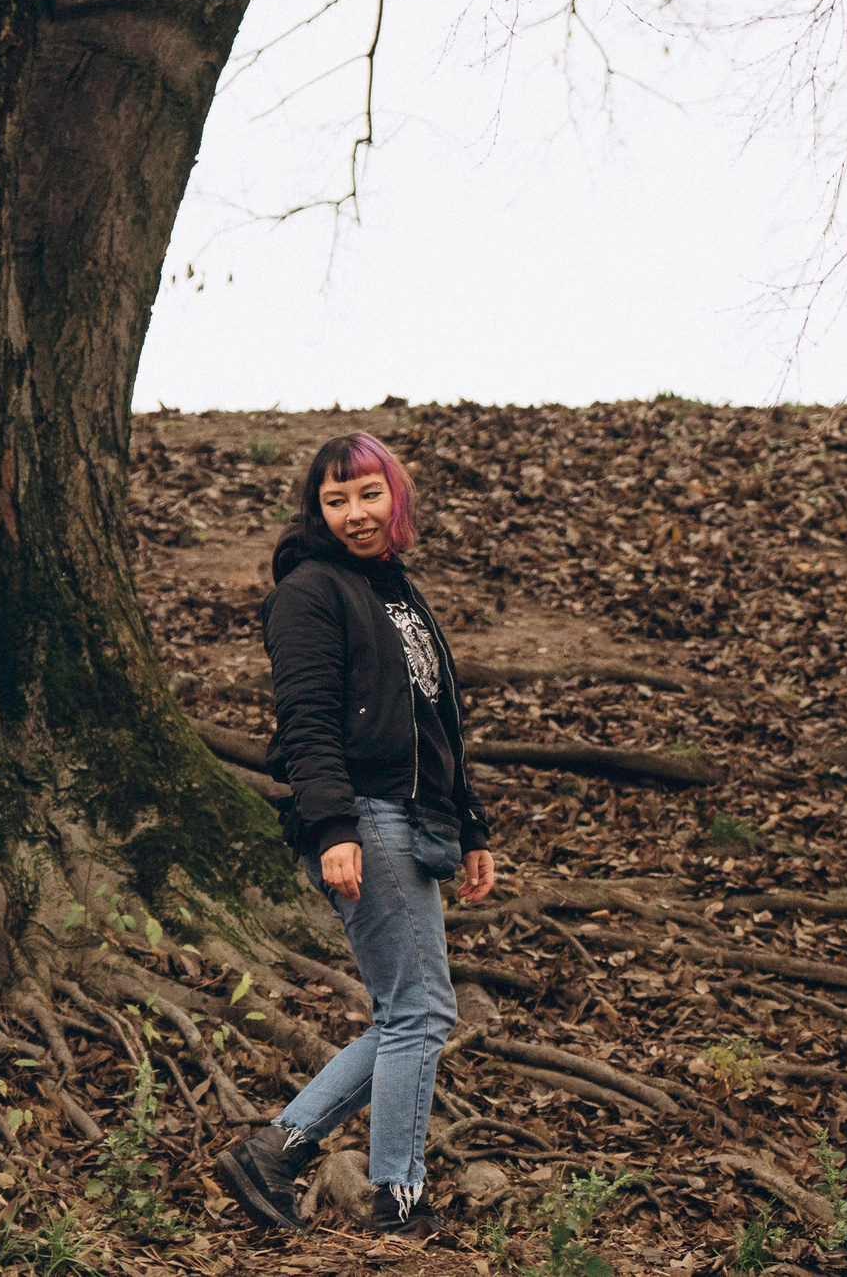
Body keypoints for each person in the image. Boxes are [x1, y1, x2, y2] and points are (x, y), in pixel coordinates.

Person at [215, 431, 494, 1235]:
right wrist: (335, 825)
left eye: (368, 494)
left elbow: (437, 724)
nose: (355, 513)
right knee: (421, 1011)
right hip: (364, 816)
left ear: (396, 495)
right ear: (318, 511)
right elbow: (305, 722)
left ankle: (276, 1152)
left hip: (413, 816)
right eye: (335, 501)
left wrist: (472, 825)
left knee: (413, 1012)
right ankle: (396, 1198)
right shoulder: (310, 592)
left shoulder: (398, 593)